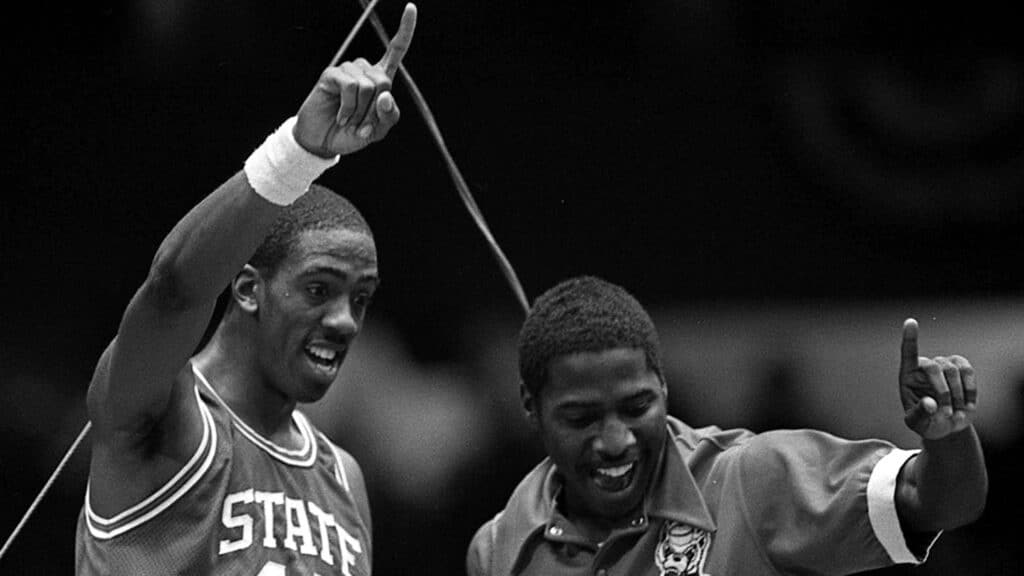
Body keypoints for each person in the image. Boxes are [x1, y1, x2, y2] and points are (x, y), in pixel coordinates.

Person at [74, 4, 418, 574]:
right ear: (248, 289)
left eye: (360, 299)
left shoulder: (343, 477)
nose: (345, 321)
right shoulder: (164, 408)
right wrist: (298, 155)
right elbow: (172, 291)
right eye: (319, 289)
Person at [466, 275, 988, 576]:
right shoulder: (497, 550)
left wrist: (948, 438)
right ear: (531, 408)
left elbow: (940, 503)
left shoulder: (748, 479)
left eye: (636, 407)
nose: (615, 441)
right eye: (581, 418)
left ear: (665, 388)